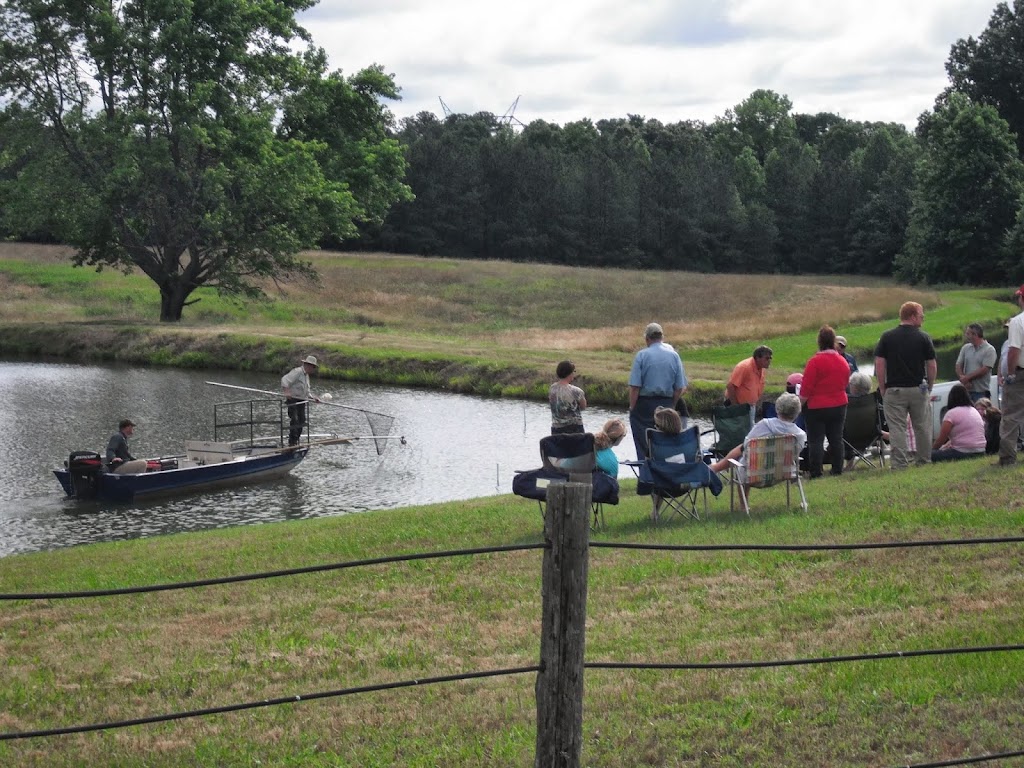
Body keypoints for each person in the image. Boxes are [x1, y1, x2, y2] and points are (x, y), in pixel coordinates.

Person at [874, 301, 937, 469]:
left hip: (894, 390)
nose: (923, 317)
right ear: (912, 316)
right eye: (921, 314)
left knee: (897, 428)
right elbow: (931, 365)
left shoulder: (887, 337)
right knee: (922, 426)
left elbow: (880, 363)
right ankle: (924, 460)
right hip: (918, 388)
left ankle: (900, 464)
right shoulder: (923, 337)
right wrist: (930, 386)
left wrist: (882, 387)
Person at [709, 392, 806, 485]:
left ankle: (716, 469)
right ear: (798, 412)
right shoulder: (800, 435)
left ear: (777, 409)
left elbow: (746, 446)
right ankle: (715, 468)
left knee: (743, 448)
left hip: (755, 475)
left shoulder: (764, 425)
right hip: (784, 473)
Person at [628, 323, 687, 460]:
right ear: (662, 337)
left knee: (643, 440)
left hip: (644, 404)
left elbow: (635, 387)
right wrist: (672, 404)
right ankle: (665, 467)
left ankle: (645, 471)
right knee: (665, 439)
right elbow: (679, 387)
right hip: (666, 402)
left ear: (647, 339)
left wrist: (632, 407)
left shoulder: (641, 356)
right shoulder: (674, 356)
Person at [800, 325, 851, 478]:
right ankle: (837, 469)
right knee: (836, 438)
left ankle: (816, 471)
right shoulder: (842, 361)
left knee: (816, 440)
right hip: (839, 404)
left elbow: (806, 388)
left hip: (817, 407)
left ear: (819, 342)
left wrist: (799, 404)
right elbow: (845, 382)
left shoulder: (814, 362)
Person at [998, 286, 1024, 466]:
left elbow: (1014, 350)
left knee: (1012, 415)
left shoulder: (1017, 321)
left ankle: (1008, 458)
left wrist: (1011, 373)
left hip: (1021, 373)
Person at [932, 384, 986, 462]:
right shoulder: (974, 410)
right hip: (981, 451)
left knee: (932, 455)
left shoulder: (951, 414)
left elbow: (941, 439)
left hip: (963, 452)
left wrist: (933, 450)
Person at [281, 354, 321, 446]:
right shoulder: (297, 372)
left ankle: (296, 440)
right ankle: (292, 442)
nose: (313, 369)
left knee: (302, 420)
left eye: (314, 367)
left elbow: (306, 391)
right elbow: (285, 380)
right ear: (308, 365)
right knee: (294, 419)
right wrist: (287, 392)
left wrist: (313, 397)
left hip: (301, 400)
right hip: (293, 399)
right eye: (313, 367)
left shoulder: (306, 376)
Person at [955, 323, 997, 402]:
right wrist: (963, 379)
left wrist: (967, 378)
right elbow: (958, 364)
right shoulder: (966, 348)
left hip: (981, 392)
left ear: (975, 334)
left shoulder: (989, 350)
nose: (966, 335)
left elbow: (984, 369)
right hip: (967, 391)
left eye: (968, 333)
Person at [549, 360, 587, 434]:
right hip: (575, 429)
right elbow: (583, 407)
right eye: (574, 371)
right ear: (569, 373)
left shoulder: (552, 388)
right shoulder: (577, 391)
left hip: (556, 429)